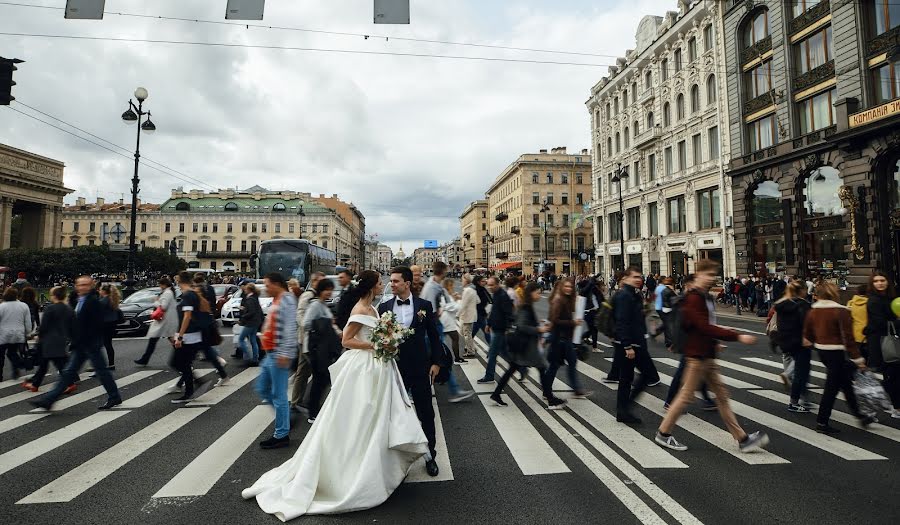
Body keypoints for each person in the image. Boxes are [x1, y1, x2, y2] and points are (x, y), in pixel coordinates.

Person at [242, 269, 428, 519]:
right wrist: (376, 345)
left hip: (377, 367)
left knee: (378, 417)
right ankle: (354, 468)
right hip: (363, 367)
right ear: (372, 286)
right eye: (380, 282)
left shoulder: (373, 308)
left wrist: (385, 343)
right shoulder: (360, 310)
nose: (384, 284)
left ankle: (380, 464)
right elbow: (347, 341)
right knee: (360, 417)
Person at [655, 260, 768, 453]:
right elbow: (702, 326)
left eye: (713, 275)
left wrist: (717, 339)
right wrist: (737, 336)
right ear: (698, 274)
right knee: (685, 397)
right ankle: (663, 433)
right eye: (708, 274)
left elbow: (702, 327)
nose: (711, 278)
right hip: (697, 357)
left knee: (722, 397)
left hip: (706, 354)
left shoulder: (703, 296)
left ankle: (742, 438)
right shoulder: (694, 298)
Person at [378, 266, 444, 477]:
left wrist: (436, 362)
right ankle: (395, 459)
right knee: (393, 413)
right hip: (394, 368)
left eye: (396, 281)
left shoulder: (424, 306)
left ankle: (430, 456)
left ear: (407, 283)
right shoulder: (384, 307)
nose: (392, 284)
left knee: (426, 413)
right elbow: (380, 338)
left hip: (420, 367)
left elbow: (434, 336)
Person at [31, 276, 122, 411]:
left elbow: (96, 324)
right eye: (80, 284)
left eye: (86, 284)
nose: (82, 287)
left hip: (90, 343)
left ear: (91, 286)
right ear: (76, 286)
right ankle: (49, 400)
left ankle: (114, 396)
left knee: (99, 372)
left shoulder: (93, 301)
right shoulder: (81, 299)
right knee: (69, 372)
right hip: (82, 344)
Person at [803, 280, 874, 433]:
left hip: (822, 351)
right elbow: (848, 338)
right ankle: (822, 422)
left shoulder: (812, 311)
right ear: (833, 294)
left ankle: (860, 416)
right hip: (836, 352)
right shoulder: (841, 311)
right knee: (832, 388)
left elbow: (807, 335)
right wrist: (858, 359)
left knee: (845, 384)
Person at [255, 272, 299, 448]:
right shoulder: (277, 299)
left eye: (267, 285)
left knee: (278, 395)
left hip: (278, 353)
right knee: (262, 388)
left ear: (277, 284)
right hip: (271, 353)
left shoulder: (286, 300)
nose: (266, 288)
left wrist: (285, 352)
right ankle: (286, 417)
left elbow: (289, 328)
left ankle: (281, 434)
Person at [491, 282, 549, 406]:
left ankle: (496, 394)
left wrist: (537, 322)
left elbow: (522, 321)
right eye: (538, 293)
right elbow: (522, 326)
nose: (539, 295)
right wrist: (539, 329)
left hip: (523, 345)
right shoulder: (526, 306)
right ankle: (550, 398)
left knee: (512, 369)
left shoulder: (527, 305)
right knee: (542, 367)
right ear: (531, 293)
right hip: (526, 346)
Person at [612, 268, 653, 424]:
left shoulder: (634, 294)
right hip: (631, 344)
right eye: (635, 277)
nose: (639, 279)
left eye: (640, 277)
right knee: (646, 374)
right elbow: (622, 322)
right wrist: (627, 346)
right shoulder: (625, 296)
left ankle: (623, 411)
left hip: (634, 342)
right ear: (626, 278)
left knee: (626, 378)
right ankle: (625, 407)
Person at [169, 271, 215, 403]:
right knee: (183, 363)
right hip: (192, 335)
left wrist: (180, 337)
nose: (176, 284)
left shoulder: (188, 295)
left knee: (178, 363)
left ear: (180, 281)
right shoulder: (192, 294)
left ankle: (191, 389)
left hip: (188, 336)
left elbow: (187, 316)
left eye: (177, 281)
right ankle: (193, 387)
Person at [24, 286, 77, 392]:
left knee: (53, 364)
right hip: (62, 340)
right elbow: (73, 326)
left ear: (55, 296)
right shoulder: (69, 309)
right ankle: (35, 384)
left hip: (48, 340)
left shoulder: (50, 308)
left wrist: (39, 336)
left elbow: (44, 326)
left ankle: (68, 383)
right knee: (51, 363)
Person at [303, 278, 339, 423]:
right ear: (320, 291)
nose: (329, 292)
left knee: (322, 380)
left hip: (324, 348)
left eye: (330, 289)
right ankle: (312, 411)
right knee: (320, 379)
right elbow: (306, 324)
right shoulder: (316, 305)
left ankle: (312, 406)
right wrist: (326, 324)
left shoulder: (323, 305)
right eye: (326, 289)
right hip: (317, 349)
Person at [865, 271, 900, 419]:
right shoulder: (874, 301)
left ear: (888, 282)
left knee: (893, 376)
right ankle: (895, 407)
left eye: (882, 280)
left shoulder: (891, 298)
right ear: (872, 284)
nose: (880, 283)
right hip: (883, 343)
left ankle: (880, 402)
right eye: (876, 281)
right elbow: (879, 323)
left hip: (892, 340)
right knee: (893, 375)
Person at [774, 280, 813, 412]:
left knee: (800, 370)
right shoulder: (803, 305)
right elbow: (807, 324)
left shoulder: (782, 304)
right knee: (801, 373)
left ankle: (801, 398)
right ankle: (794, 402)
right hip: (801, 342)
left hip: (787, 341)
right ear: (802, 290)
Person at [292, 272, 324, 411]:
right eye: (321, 281)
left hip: (311, 341)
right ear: (315, 281)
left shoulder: (317, 296)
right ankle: (307, 402)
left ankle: (296, 401)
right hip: (306, 340)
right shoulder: (308, 295)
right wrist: (312, 328)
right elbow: (300, 316)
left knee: (303, 371)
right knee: (318, 371)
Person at [477, 276, 515, 384]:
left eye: (492, 285)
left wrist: (507, 328)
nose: (489, 287)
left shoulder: (503, 296)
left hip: (500, 329)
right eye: (488, 285)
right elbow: (494, 311)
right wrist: (488, 324)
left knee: (493, 353)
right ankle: (520, 367)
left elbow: (509, 314)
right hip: (497, 328)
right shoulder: (497, 295)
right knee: (504, 352)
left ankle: (489, 376)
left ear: (498, 284)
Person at [134, 277, 178, 366]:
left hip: (164, 321)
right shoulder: (169, 292)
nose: (159, 286)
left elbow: (163, 306)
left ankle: (145, 359)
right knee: (157, 340)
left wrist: (156, 302)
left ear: (164, 285)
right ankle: (144, 359)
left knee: (155, 340)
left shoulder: (167, 293)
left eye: (160, 285)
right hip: (165, 320)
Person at [0, 287, 32, 380]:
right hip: (18, 334)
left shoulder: (2, 306)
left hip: (3, 335)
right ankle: (17, 368)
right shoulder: (23, 306)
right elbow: (27, 322)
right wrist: (28, 333)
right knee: (12, 352)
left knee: (1, 356)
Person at [237, 282, 264, 365]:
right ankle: (255, 358)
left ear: (249, 290)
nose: (244, 290)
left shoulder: (250, 299)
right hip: (256, 322)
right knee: (253, 340)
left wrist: (243, 316)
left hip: (250, 322)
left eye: (245, 289)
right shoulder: (254, 297)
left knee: (241, 339)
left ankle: (248, 357)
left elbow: (251, 312)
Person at [440, 278, 465, 363]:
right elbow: (452, 307)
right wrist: (457, 301)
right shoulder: (444, 295)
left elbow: (451, 306)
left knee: (451, 339)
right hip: (446, 321)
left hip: (448, 320)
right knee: (452, 339)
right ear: (448, 286)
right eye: (452, 285)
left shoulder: (447, 295)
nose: (453, 286)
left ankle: (456, 358)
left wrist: (455, 300)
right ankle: (455, 359)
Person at [98, 283, 121, 371]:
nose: (99, 291)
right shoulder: (112, 300)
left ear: (103, 291)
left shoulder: (103, 301)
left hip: (104, 324)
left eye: (100, 290)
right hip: (112, 324)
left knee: (100, 344)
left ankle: (100, 364)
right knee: (108, 344)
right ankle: (111, 364)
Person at [458, 273, 480, 359]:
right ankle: (471, 347)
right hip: (472, 315)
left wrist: (457, 315)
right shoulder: (473, 290)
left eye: (462, 279)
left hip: (467, 315)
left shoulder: (467, 290)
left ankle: (470, 351)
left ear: (466, 280)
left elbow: (463, 305)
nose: (461, 281)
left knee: (467, 334)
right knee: (466, 332)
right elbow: (478, 301)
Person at [847, 284, 869, 362]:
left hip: (854, 333)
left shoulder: (850, 303)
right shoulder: (870, 304)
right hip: (867, 334)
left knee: (856, 359)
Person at [472, 275, 492, 345]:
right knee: (485, 330)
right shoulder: (480, 289)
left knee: (475, 329)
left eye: (485, 281)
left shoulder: (480, 289)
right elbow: (490, 300)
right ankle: (492, 347)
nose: (485, 282)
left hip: (479, 312)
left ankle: (468, 345)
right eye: (483, 281)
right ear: (478, 282)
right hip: (480, 312)